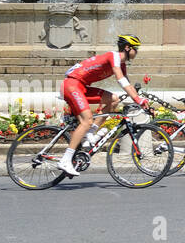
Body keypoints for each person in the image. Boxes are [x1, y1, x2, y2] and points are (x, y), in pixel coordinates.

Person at [56, 34, 150, 176]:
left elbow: (128, 84)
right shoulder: (114, 56)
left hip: (80, 86)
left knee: (113, 99)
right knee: (86, 120)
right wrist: (138, 100)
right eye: (135, 49)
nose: (136, 52)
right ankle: (65, 160)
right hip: (72, 85)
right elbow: (121, 81)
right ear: (127, 47)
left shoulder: (121, 64)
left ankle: (90, 133)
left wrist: (140, 99)